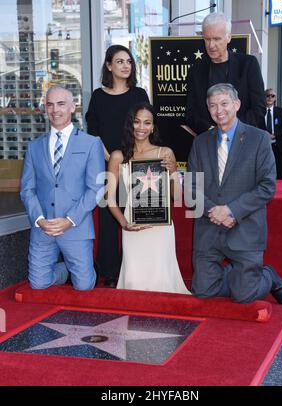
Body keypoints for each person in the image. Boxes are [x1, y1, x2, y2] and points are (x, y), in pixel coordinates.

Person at [188, 83, 282, 304]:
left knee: (244, 296)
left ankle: (266, 276)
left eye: (224, 103)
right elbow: (191, 187)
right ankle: (238, 278)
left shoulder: (259, 139)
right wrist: (214, 212)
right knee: (203, 291)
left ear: (237, 104)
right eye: (213, 105)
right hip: (209, 226)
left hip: (244, 227)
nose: (219, 110)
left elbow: (267, 186)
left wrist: (232, 211)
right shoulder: (200, 142)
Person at [20, 85, 105, 290]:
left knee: (84, 286)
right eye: (50, 104)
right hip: (44, 228)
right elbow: (27, 189)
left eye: (61, 104)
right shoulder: (34, 147)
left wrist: (69, 220)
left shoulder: (91, 143)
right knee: (38, 284)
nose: (55, 110)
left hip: (75, 226)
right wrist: (39, 220)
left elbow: (96, 188)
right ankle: (65, 269)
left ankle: (83, 269)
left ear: (72, 107)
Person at [107, 102, 190, 294]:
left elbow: (176, 197)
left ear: (153, 126)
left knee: (161, 279)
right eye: (137, 122)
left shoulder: (165, 153)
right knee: (135, 280)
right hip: (132, 225)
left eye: (147, 123)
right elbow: (109, 198)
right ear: (130, 124)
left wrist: (173, 173)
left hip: (161, 228)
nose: (141, 128)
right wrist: (124, 224)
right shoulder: (118, 156)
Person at [86, 44, 149, 288]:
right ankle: (111, 273)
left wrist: (130, 159)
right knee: (110, 219)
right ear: (109, 66)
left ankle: (134, 270)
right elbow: (94, 133)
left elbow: (145, 128)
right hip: (107, 164)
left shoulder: (139, 94)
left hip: (136, 164)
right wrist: (111, 158)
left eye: (129, 61)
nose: (125, 65)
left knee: (135, 215)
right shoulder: (98, 96)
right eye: (120, 61)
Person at [186, 12, 266, 135]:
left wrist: (232, 130)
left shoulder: (248, 64)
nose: (211, 45)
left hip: (243, 140)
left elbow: (258, 108)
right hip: (209, 143)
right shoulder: (196, 71)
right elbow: (191, 113)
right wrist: (211, 132)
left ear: (228, 37)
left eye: (217, 39)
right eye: (207, 39)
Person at [262, 89, 282, 179]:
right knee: (265, 173)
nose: (270, 97)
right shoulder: (259, 112)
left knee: (279, 173)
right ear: (264, 97)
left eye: (272, 96)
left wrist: (275, 134)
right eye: (268, 95)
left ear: (275, 99)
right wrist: (265, 134)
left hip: (279, 146)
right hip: (264, 146)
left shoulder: (281, 111)